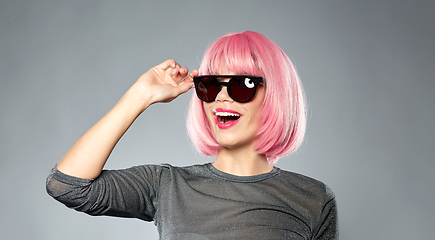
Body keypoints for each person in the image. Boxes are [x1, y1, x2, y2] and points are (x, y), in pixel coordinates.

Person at [46, 31, 338, 239]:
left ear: (276, 95)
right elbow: (67, 185)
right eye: (210, 85)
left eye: (242, 84)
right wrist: (141, 95)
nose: (222, 97)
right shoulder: (167, 185)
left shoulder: (313, 199)